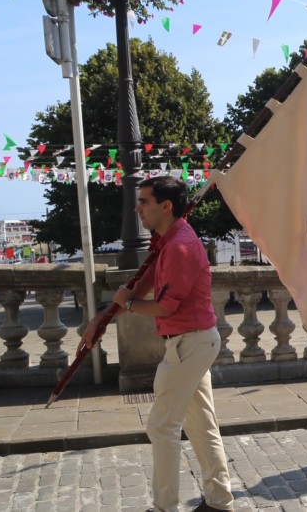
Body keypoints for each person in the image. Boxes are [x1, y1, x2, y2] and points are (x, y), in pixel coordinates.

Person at [80, 176, 232, 512]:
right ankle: (220, 502)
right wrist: (102, 318)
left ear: (166, 206)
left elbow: (164, 307)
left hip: (189, 345)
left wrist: (128, 304)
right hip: (192, 341)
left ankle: (165, 507)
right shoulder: (169, 240)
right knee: (201, 426)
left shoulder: (180, 246)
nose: (137, 209)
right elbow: (142, 286)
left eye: (143, 201)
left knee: (162, 426)